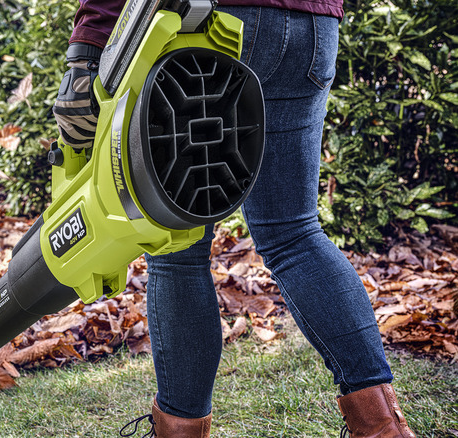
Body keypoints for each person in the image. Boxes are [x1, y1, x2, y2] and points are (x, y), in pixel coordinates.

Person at [53, 0, 417, 437]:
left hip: (208, 18)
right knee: (294, 234)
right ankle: (382, 427)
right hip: (312, 25)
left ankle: (180, 430)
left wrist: (85, 51)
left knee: (179, 249)